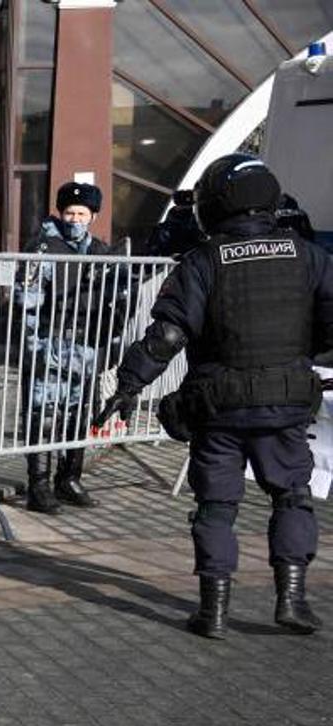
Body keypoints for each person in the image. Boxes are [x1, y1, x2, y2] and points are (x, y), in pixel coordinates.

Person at [97, 154, 333, 640]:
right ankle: (291, 600)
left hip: (218, 408)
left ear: (214, 204)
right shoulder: (309, 256)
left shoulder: (203, 261)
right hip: (285, 401)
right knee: (291, 497)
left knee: (216, 506)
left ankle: (214, 611)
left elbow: (166, 336)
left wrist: (128, 385)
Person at [18, 181, 115, 514]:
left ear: (93, 216)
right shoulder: (42, 247)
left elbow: (114, 299)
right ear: (60, 213)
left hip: (85, 347)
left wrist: (109, 340)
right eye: (70, 213)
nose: (75, 219)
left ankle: (69, 479)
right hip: (50, 344)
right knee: (44, 415)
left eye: (82, 214)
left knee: (78, 415)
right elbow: (28, 301)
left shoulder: (100, 251)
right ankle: (39, 486)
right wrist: (34, 346)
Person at [146, 189, 205, 258]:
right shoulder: (164, 229)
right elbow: (154, 250)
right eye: (183, 205)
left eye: (189, 205)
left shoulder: (195, 224)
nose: (186, 208)